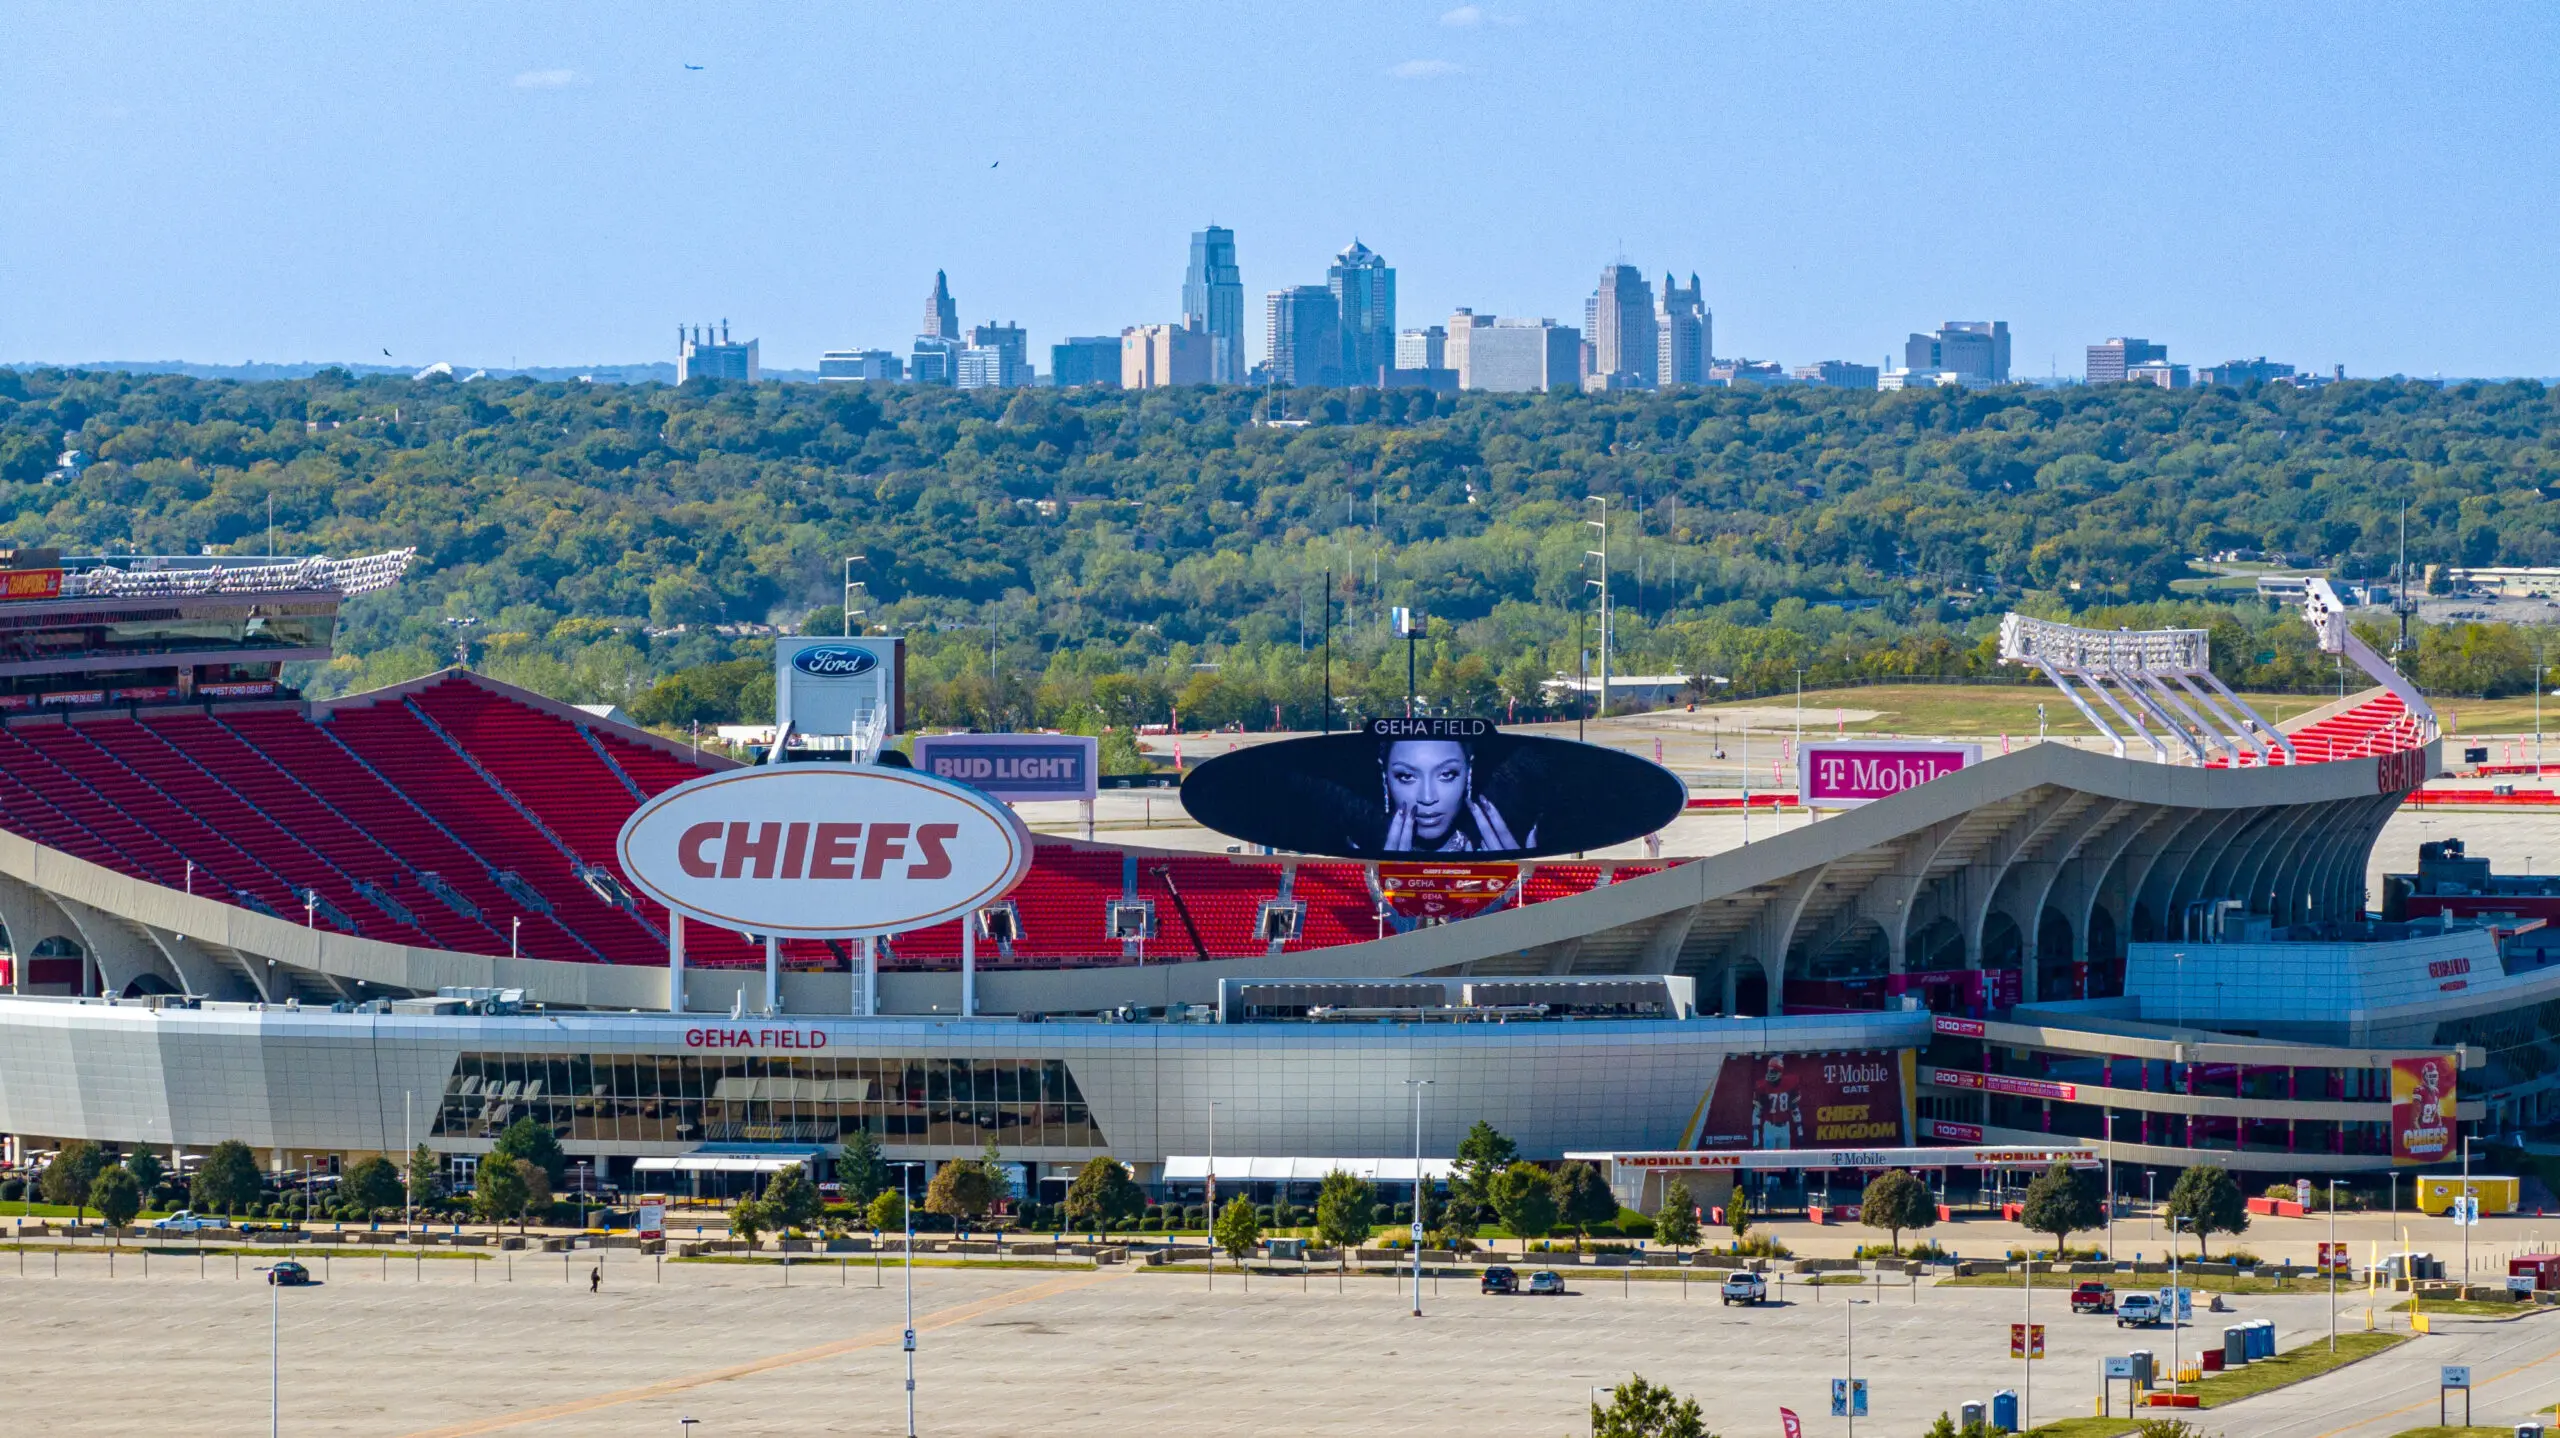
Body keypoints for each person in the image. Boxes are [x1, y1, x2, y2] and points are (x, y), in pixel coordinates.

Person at [1374, 738, 1528, 853]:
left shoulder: (1498, 846)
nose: (1427, 798)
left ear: (1469, 772)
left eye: (1447, 774)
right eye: (1406, 776)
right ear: (1384, 775)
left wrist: (1518, 885)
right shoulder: (1359, 856)